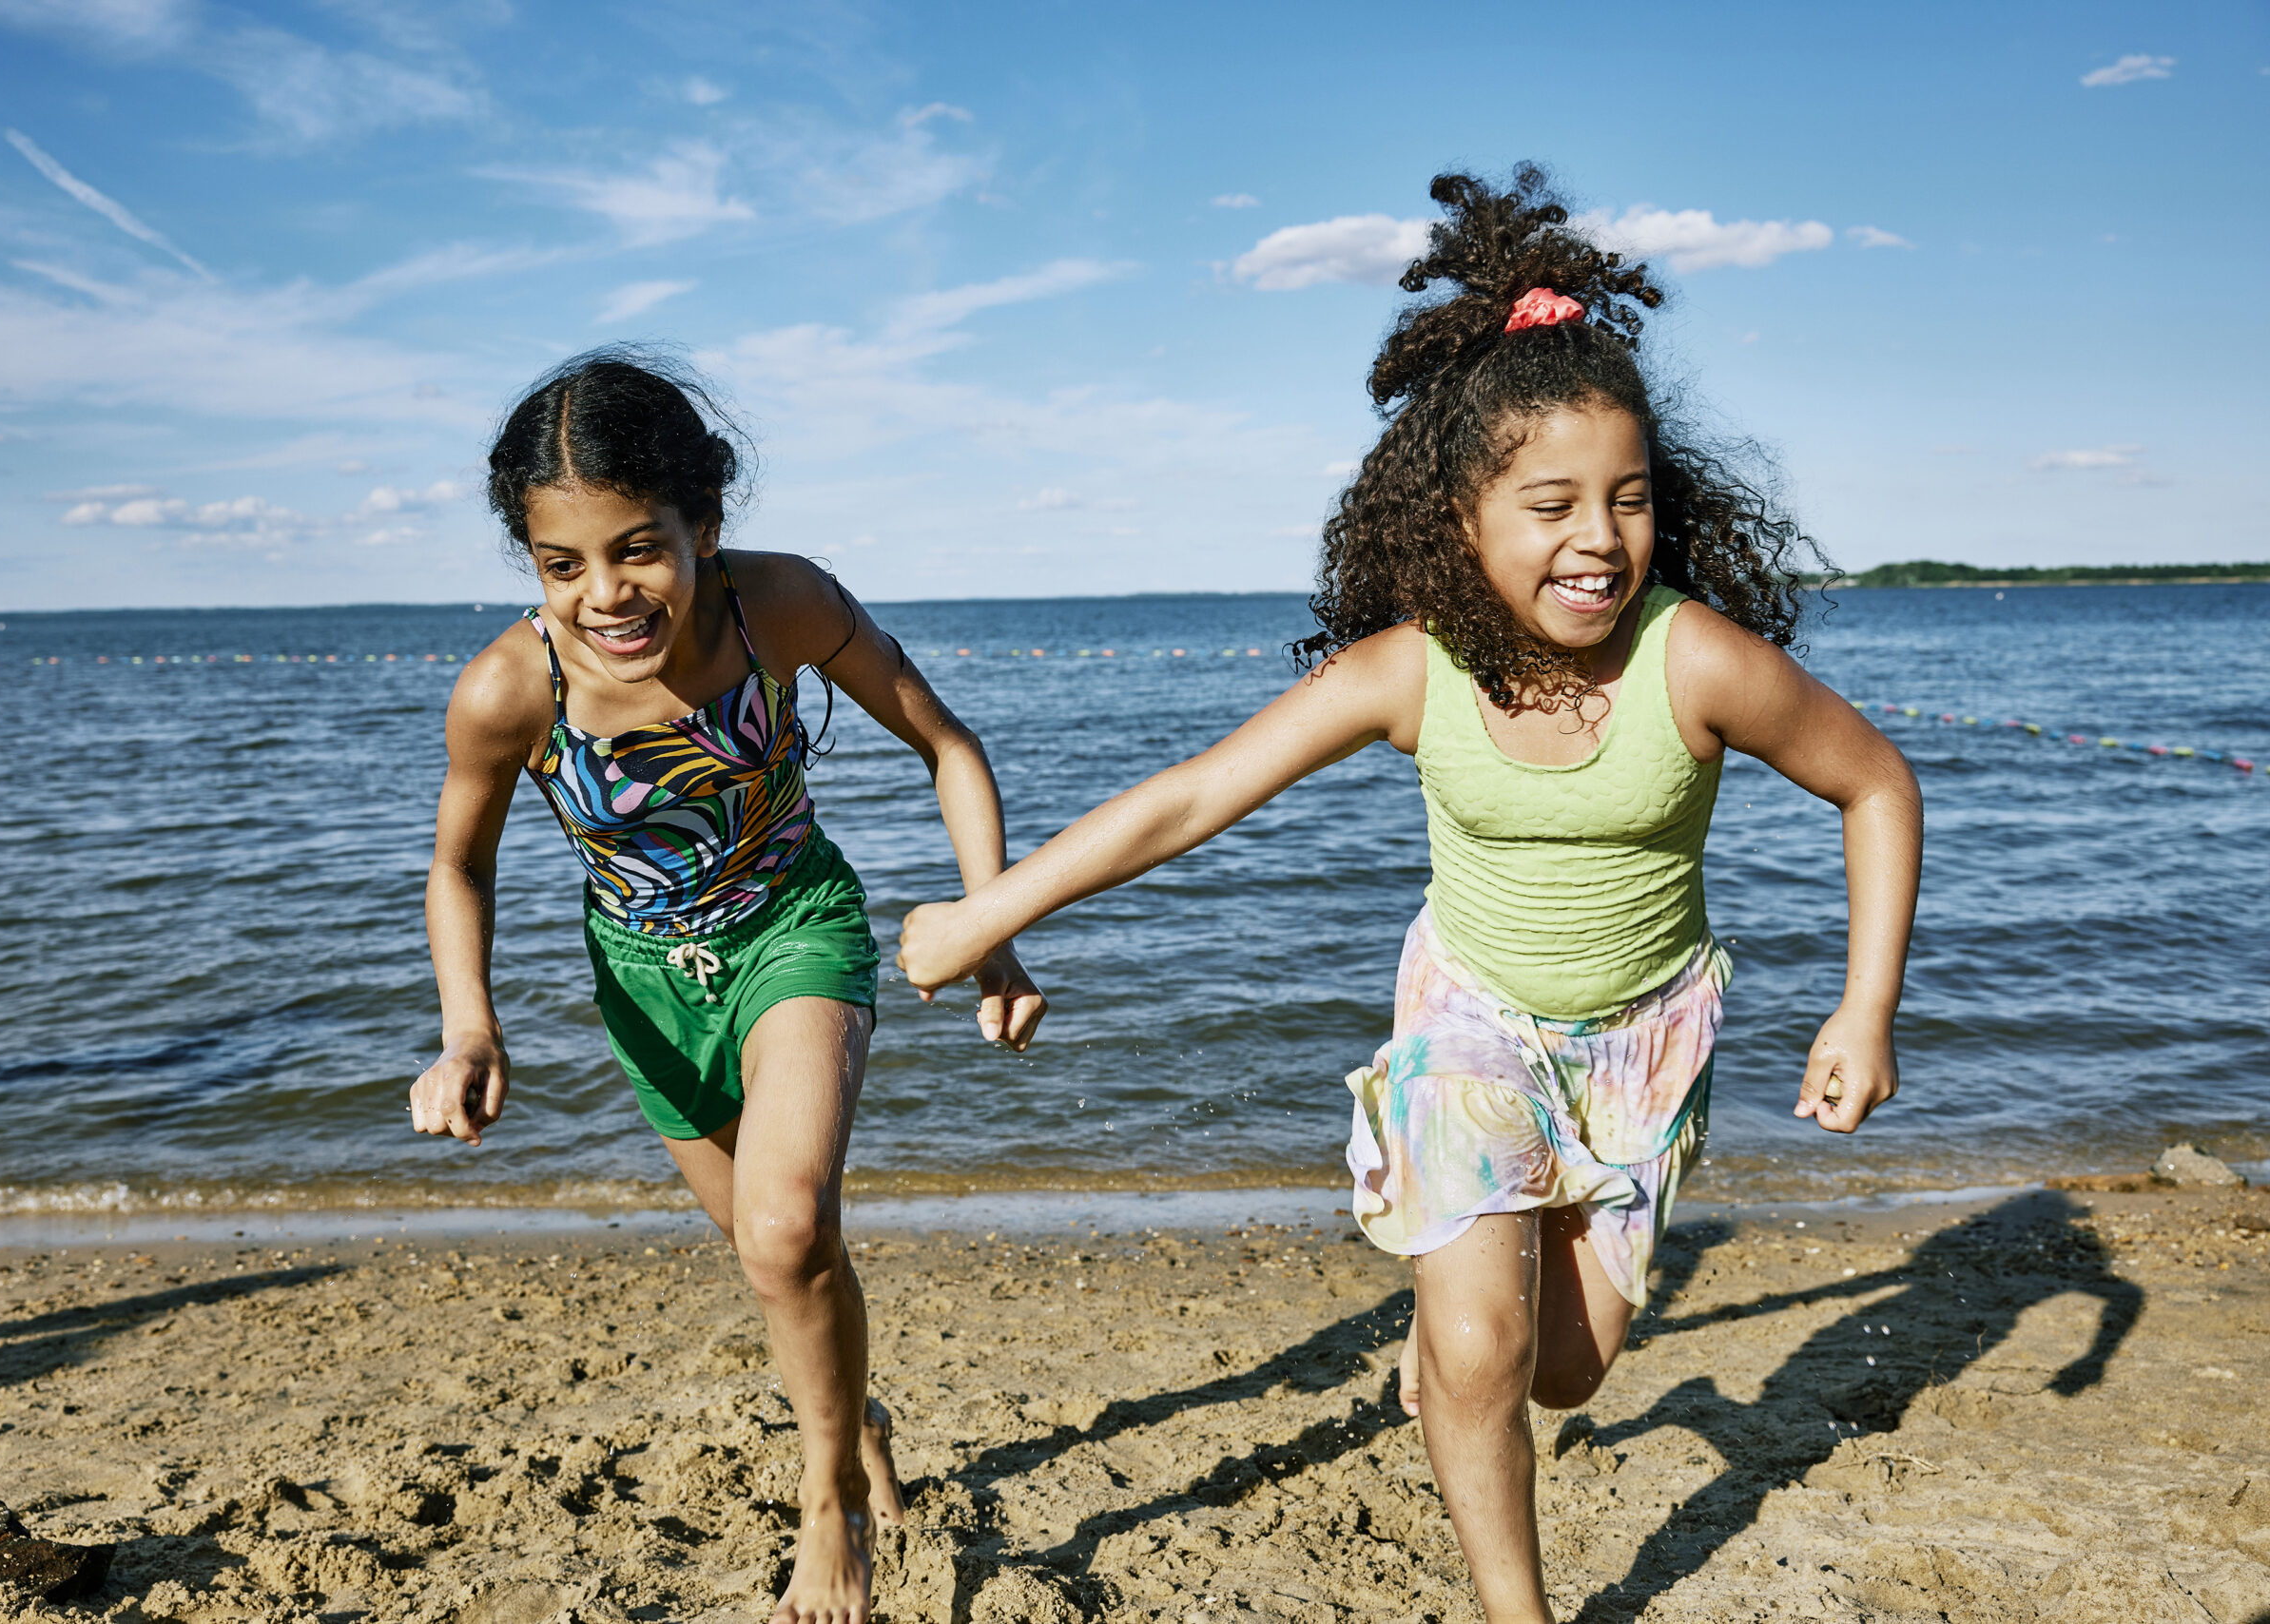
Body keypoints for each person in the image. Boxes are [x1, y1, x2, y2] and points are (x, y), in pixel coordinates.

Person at [894, 167, 1922, 1624]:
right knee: (1489, 1352)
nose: (1599, 539)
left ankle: (1458, 1356)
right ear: (1464, 515)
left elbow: (1877, 786)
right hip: (1471, 1026)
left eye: (1629, 500)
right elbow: (1190, 797)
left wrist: (1863, 1007)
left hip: (1643, 1045)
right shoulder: (1408, 669)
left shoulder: (1694, 661)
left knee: (1563, 1372)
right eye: (1553, 503)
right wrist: (989, 913)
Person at [410, 348, 1045, 1624]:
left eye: (638, 548)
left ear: (704, 523)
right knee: (778, 1257)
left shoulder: (783, 609)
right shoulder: (506, 692)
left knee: (787, 1229)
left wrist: (992, 923)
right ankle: (851, 1420)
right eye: (564, 565)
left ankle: (833, 1509)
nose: (607, 593)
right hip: (649, 994)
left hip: (795, 930)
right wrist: (467, 1028)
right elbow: (456, 866)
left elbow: (945, 740)